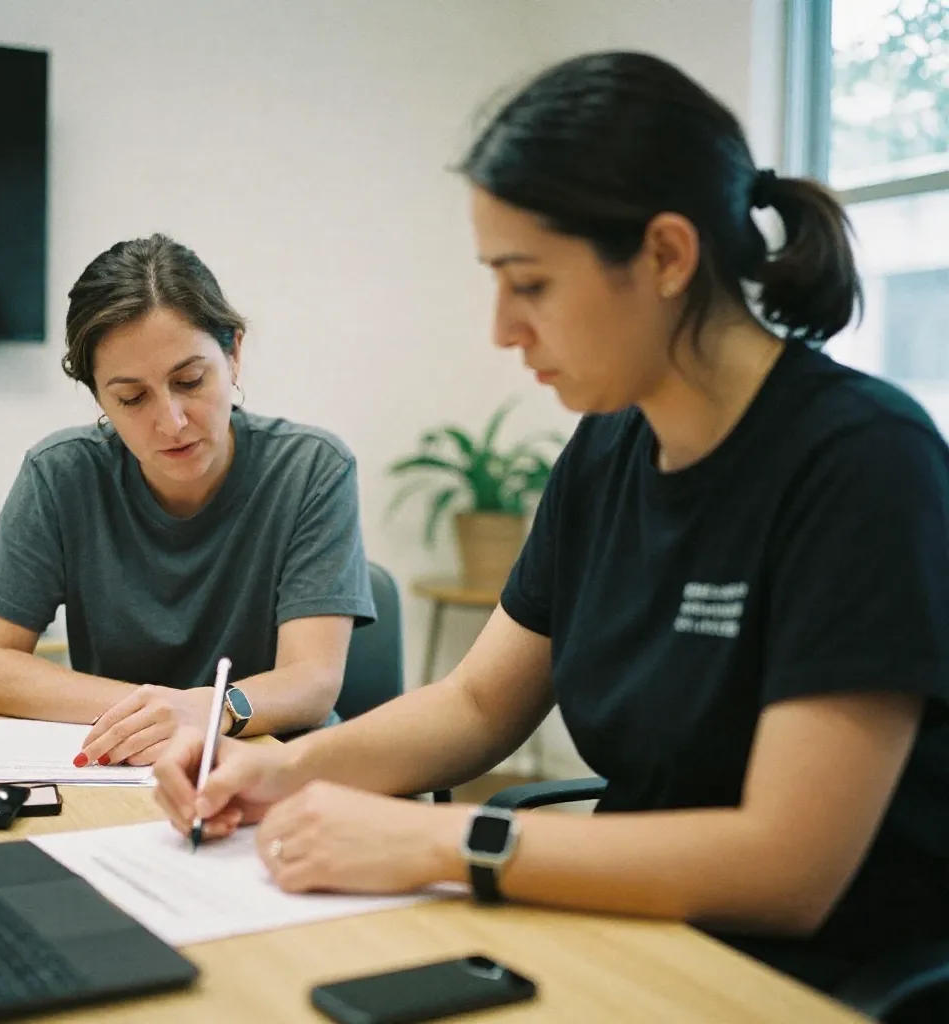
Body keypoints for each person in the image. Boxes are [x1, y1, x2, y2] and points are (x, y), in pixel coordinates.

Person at [154, 52, 949, 1008]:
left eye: (528, 283)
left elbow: (788, 867)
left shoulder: (863, 461)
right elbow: (480, 706)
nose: (502, 328)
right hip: (624, 932)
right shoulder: (611, 446)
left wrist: (442, 840)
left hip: (807, 982)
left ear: (665, 255)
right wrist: (280, 768)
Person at [0, 234, 375, 766]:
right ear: (98, 396)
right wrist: (162, 716)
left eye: (190, 380)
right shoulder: (62, 473)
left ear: (234, 353)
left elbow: (312, 682)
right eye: (131, 398)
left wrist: (212, 711)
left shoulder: (311, 468)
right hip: (122, 768)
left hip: (274, 766)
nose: (171, 422)